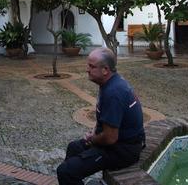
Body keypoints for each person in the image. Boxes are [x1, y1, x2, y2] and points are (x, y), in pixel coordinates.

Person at [57, 47, 145, 185]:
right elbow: (106, 120)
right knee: (73, 147)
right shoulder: (111, 82)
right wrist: (94, 131)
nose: (87, 69)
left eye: (92, 66)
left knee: (65, 172)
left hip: (123, 150)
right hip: (118, 143)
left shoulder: (113, 93)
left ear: (105, 70)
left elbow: (110, 138)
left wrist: (93, 139)